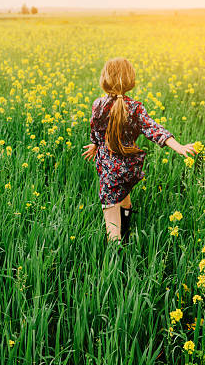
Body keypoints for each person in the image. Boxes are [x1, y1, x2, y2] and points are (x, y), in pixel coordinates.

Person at [82, 57, 198, 246]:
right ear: (129, 80)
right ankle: (126, 232)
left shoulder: (98, 104)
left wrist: (95, 144)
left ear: (105, 78)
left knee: (110, 210)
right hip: (129, 168)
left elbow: (95, 129)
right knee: (124, 194)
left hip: (110, 170)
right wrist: (179, 147)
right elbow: (154, 129)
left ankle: (115, 254)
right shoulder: (135, 107)